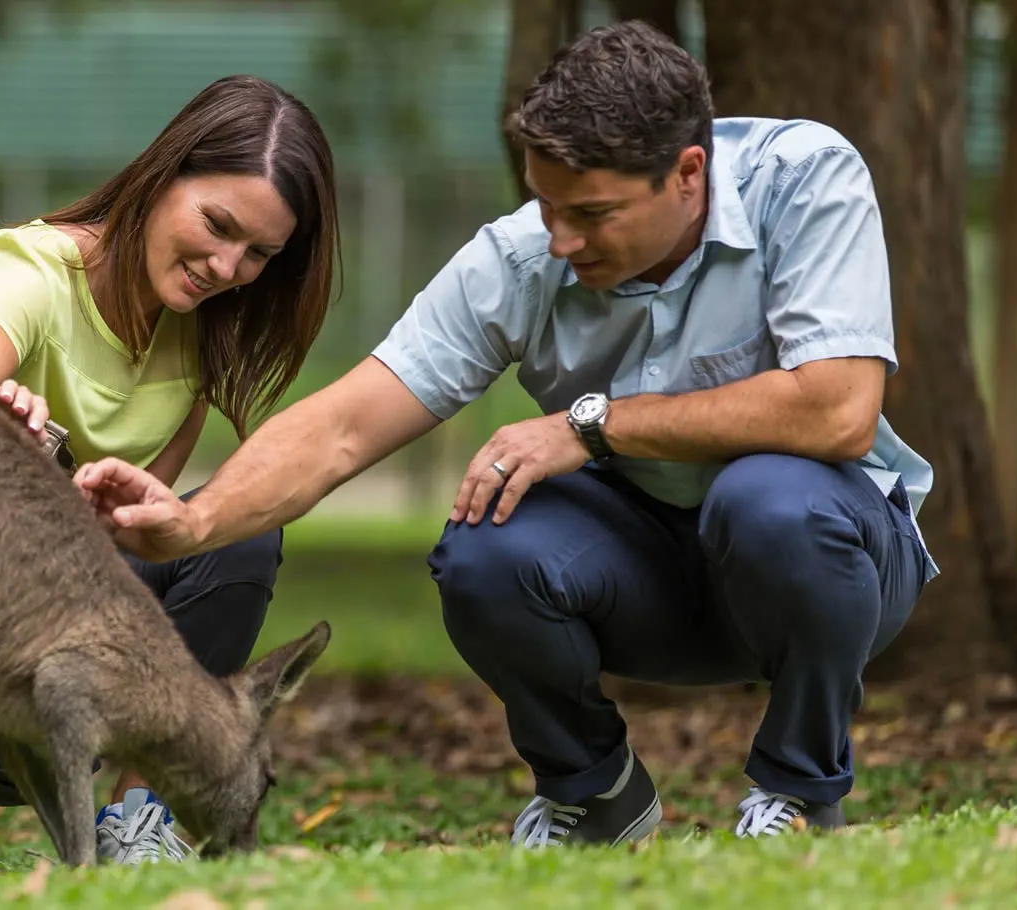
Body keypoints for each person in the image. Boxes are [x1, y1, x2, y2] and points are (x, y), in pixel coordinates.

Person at [72, 21, 936, 848]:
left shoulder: (807, 178)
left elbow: (837, 408)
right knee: (484, 546)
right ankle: (593, 795)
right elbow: (343, 426)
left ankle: (796, 791)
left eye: (590, 214)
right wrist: (196, 521)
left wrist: (592, 427)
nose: (559, 240)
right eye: (544, 204)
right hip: (648, 574)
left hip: (830, 560)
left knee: (769, 499)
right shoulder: (522, 257)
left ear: (687, 174)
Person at [0, 73, 341, 865]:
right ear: (164, 173)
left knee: (236, 537)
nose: (227, 266)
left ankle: (139, 818)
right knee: (33, 726)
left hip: (62, 607)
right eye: (217, 224)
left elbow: (136, 540)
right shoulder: (26, 273)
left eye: (258, 254)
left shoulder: (195, 329)